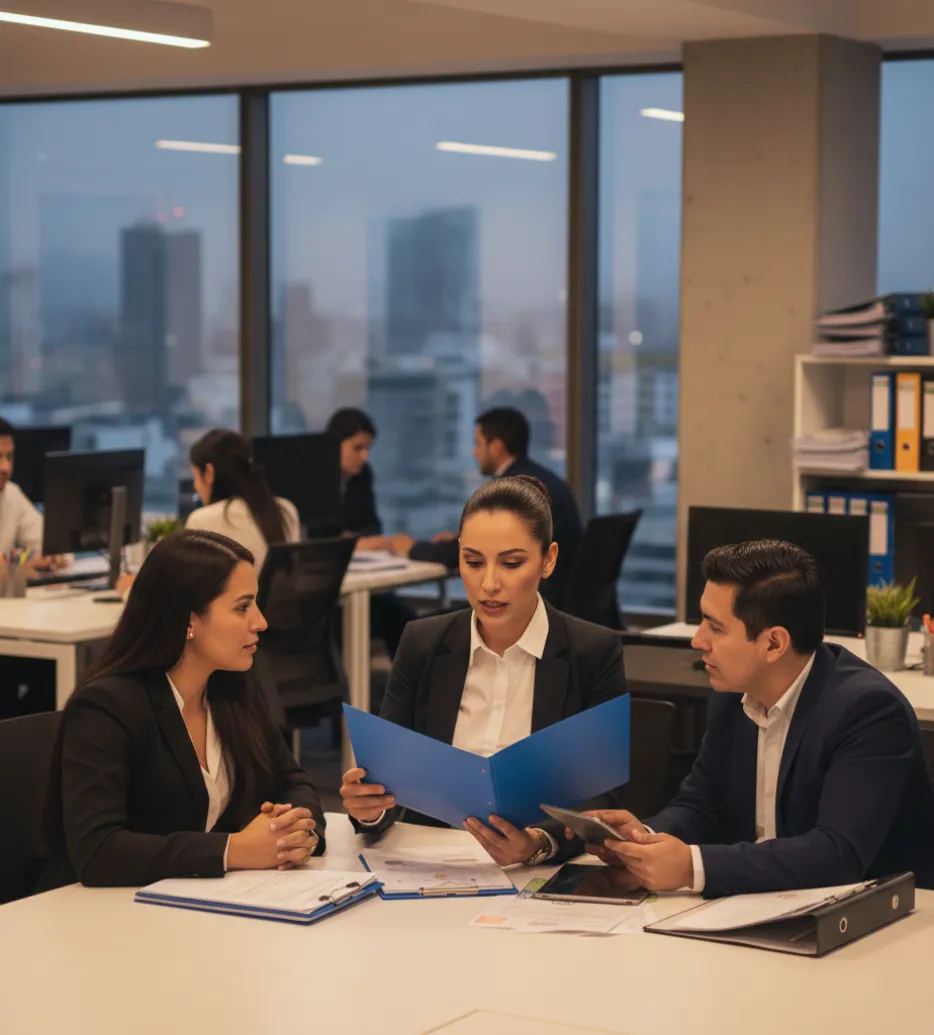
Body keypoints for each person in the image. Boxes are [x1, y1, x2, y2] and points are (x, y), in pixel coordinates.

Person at [580, 540, 934, 897]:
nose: (698, 640)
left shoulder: (868, 711)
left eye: (715, 627)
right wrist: (644, 840)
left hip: (872, 921)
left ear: (774, 644)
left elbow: (837, 854)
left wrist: (691, 866)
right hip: (761, 902)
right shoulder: (733, 693)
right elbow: (701, 804)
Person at [340, 475, 627, 867]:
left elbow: (603, 794)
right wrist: (369, 807)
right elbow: (392, 782)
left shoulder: (592, 651)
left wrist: (538, 842)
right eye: (473, 562)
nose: (488, 583)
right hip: (433, 861)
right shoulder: (423, 643)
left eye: (511, 563)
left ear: (549, 559)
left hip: (538, 869)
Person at [41, 529, 325, 889]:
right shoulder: (106, 707)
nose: (261, 621)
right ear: (189, 620)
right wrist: (231, 850)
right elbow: (99, 851)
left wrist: (298, 833)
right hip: (100, 919)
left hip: (201, 906)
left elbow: (292, 782)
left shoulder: (229, 685)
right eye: (242, 607)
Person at [326, 408, 416, 658]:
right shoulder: (312, 480)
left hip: (362, 578)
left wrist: (356, 541)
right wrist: (357, 543)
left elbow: (372, 527)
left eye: (368, 449)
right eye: (357, 448)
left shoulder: (362, 476)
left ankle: (408, 693)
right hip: (327, 594)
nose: (364, 456)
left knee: (405, 620)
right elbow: (314, 538)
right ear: (335, 444)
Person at [470, 408, 583, 607]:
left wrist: (415, 548)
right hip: (560, 594)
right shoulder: (543, 478)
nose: (475, 452)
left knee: (420, 626)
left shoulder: (513, 490)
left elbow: (480, 550)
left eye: (478, 444)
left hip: (534, 600)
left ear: (496, 447)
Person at [185, 429, 300, 573]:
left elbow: (194, 588)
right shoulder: (286, 510)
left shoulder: (202, 520)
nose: (195, 486)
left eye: (195, 476)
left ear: (209, 473)